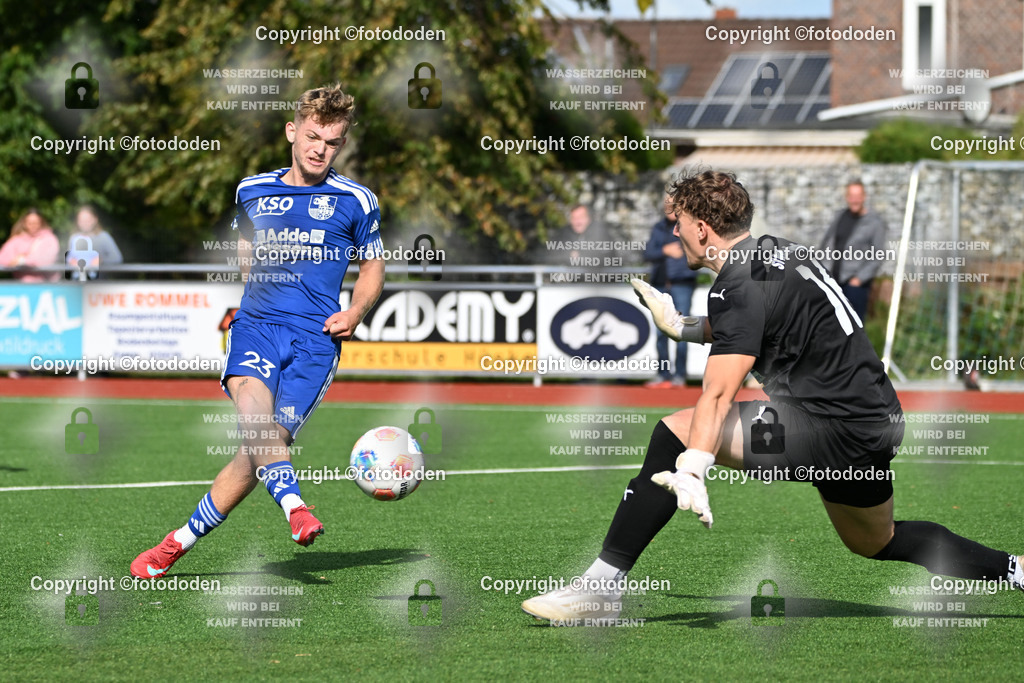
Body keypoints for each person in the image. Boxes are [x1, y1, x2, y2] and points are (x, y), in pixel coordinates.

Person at [522, 169, 1021, 623]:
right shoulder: (778, 251)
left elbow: (718, 393)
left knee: (673, 432)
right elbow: (756, 324)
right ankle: (1017, 570)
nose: (674, 232)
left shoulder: (737, 286)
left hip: (828, 424)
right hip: (873, 421)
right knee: (877, 541)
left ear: (702, 228)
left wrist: (693, 467)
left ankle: (600, 588)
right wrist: (683, 326)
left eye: (680, 222)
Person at [131, 84, 385, 579]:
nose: (320, 149)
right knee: (255, 423)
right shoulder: (253, 191)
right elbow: (245, 247)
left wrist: (355, 312)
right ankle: (295, 508)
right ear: (292, 132)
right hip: (257, 327)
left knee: (256, 454)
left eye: (332, 143)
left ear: (343, 144)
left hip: (317, 343)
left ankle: (175, 543)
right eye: (313, 137)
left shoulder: (357, 200)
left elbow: (374, 267)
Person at [642, 195, 696, 388]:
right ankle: (663, 374)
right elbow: (647, 253)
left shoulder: (690, 225)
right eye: (666, 203)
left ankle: (680, 375)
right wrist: (665, 251)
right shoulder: (658, 227)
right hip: (660, 285)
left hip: (682, 284)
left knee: (682, 331)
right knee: (660, 332)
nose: (669, 207)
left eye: (673, 203)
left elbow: (696, 252)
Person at [819, 180, 887, 320]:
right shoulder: (840, 216)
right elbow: (827, 243)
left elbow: (878, 255)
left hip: (854, 286)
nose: (855, 200)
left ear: (864, 197)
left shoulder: (874, 223)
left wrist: (858, 279)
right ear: (847, 197)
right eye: (851, 195)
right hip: (832, 282)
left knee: (854, 329)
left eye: (858, 196)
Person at [0, 209, 60, 282]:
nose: (33, 225)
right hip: (22, 286)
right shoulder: (17, 240)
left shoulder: (49, 239)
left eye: (35, 222)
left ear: (41, 223)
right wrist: (14, 261)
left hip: (45, 285)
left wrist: (23, 260)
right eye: (30, 223)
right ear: (24, 224)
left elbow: (46, 260)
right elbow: (2, 258)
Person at [66, 205, 123, 279]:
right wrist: (71, 261)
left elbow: (117, 258)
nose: (85, 223)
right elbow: (69, 258)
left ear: (95, 219)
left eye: (87, 220)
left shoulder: (103, 237)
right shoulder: (73, 238)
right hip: (76, 282)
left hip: (97, 284)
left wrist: (100, 261)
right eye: (82, 220)